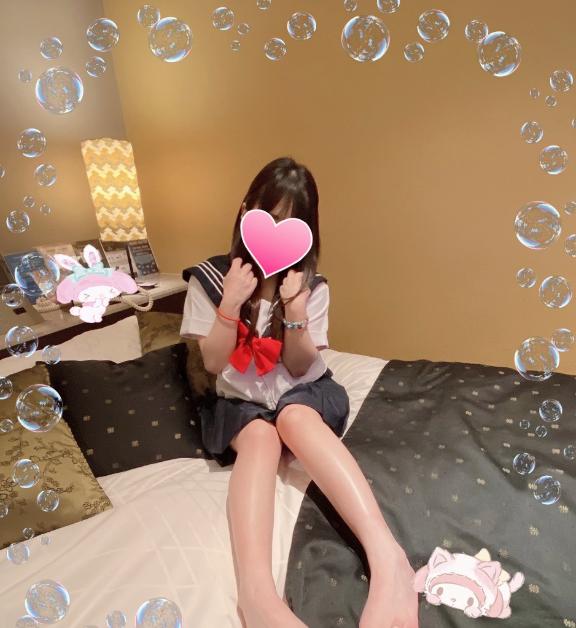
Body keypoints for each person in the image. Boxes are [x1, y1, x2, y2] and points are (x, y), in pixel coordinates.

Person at [180, 156, 419, 628]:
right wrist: (230, 303)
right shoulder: (210, 278)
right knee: (260, 437)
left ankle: (388, 559)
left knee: (293, 418)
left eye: (293, 224)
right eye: (268, 218)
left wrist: (294, 310)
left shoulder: (310, 286)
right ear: (245, 211)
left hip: (301, 390)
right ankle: (256, 596)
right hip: (241, 403)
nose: (276, 233)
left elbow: (298, 365)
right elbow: (212, 363)